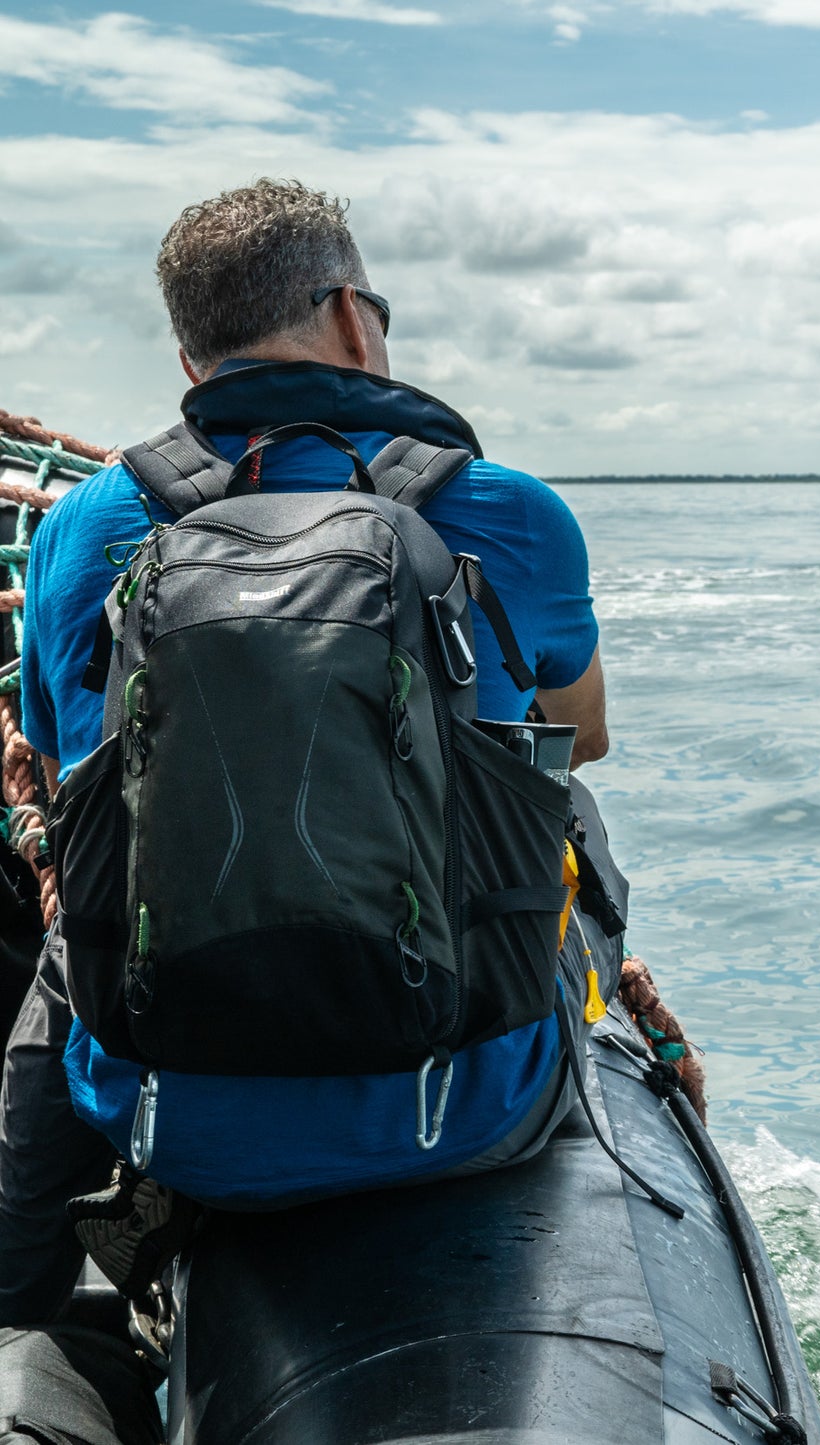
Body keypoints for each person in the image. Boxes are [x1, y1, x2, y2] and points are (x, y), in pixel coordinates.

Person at [0, 179, 612, 1328]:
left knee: (58, 932)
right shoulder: (512, 514)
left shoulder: (86, 533)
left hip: (173, 1121)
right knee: (556, 805)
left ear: (192, 362)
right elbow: (585, 737)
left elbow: (52, 750)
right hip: (463, 1110)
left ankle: (20, 1299)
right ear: (349, 314)